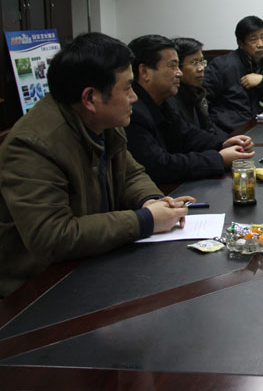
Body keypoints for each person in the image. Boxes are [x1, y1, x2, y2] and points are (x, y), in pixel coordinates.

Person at [0, 33, 191, 298]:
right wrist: (145, 220)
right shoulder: (31, 146)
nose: (134, 97)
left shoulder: (105, 121)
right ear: (90, 98)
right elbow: (53, 236)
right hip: (41, 289)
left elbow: (130, 173)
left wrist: (150, 200)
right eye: (127, 89)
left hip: (93, 262)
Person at [126, 35, 254, 185]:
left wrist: (223, 143)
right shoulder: (133, 112)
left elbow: (187, 135)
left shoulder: (162, 102)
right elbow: (160, 165)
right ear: (144, 72)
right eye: (172, 66)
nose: (179, 73)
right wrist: (219, 159)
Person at [204, 15, 263, 133]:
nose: (260, 44)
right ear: (241, 43)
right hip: (230, 131)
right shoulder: (222, 66)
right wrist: (215, 134)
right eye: (253, 39)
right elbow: (203, 102)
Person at [172, 37, 224, 138]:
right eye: (194, 63)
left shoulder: (198, 91)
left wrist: (225, 141)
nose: (201, 68)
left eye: (202, 62)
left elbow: (209, 128)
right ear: (177, 66)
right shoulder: (172, 99)